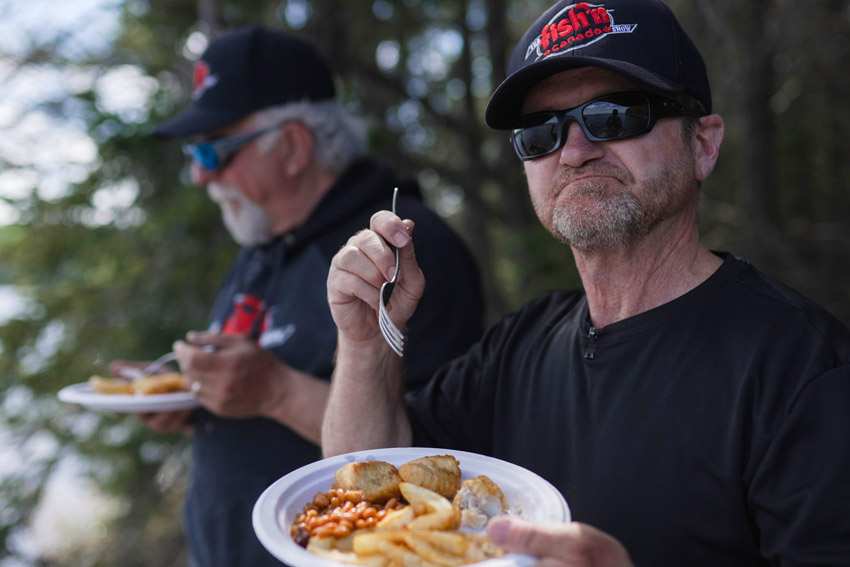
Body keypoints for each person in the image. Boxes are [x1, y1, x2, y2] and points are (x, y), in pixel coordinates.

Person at [323, 1, 850, 566]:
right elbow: (369, 483)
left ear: (703, 144)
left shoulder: (805, 369)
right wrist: (365, 340)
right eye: (540, 132)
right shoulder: (517, 346)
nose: (574, 151)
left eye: (616, 115)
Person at [110, 25, 484, 567]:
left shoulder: (398, 252)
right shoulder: (261, 245)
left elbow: (435, 454)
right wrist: (192, 396)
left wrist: (275, 391)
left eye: (213, 153)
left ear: (292, 146)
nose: (197, 175)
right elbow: (255, 377)